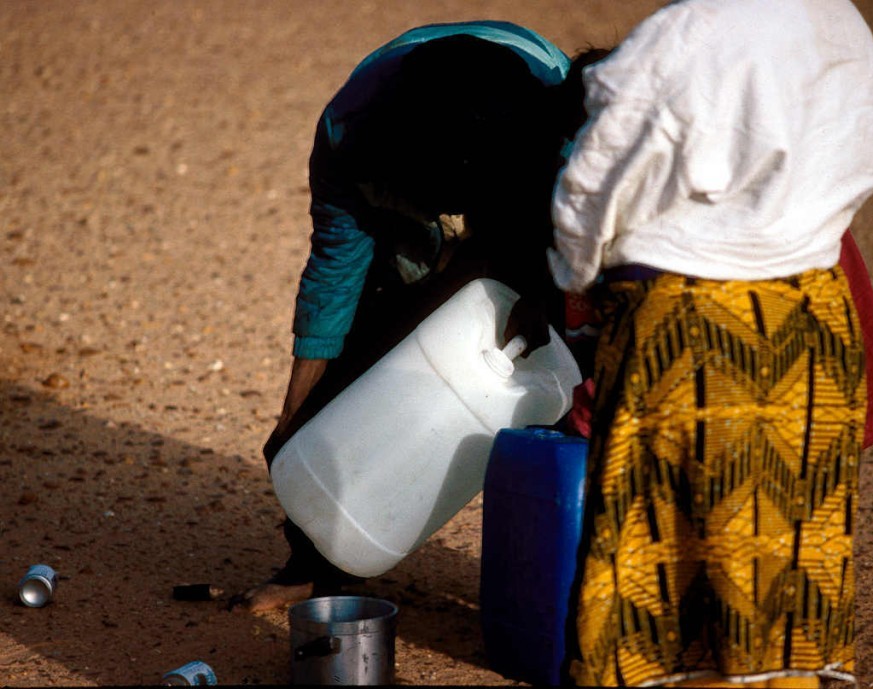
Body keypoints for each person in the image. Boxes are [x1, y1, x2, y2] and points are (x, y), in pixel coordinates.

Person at [547, 1, 873, 686]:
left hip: (689, 329)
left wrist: (579, 281)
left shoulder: (689, 33)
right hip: (816, 322)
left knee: (656, 571)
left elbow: (591, 183)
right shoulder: (841, 22)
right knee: (785, 573)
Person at [231, 21, 603, 613]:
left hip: (532, 201)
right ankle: (316, 561)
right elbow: (336, 276)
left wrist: (544, 302)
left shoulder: (552, 120)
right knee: (369, 368)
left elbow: (565, 243)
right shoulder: (351, 138)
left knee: (565, 374)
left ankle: (572, 576)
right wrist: (295, 416)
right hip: (416, 194)